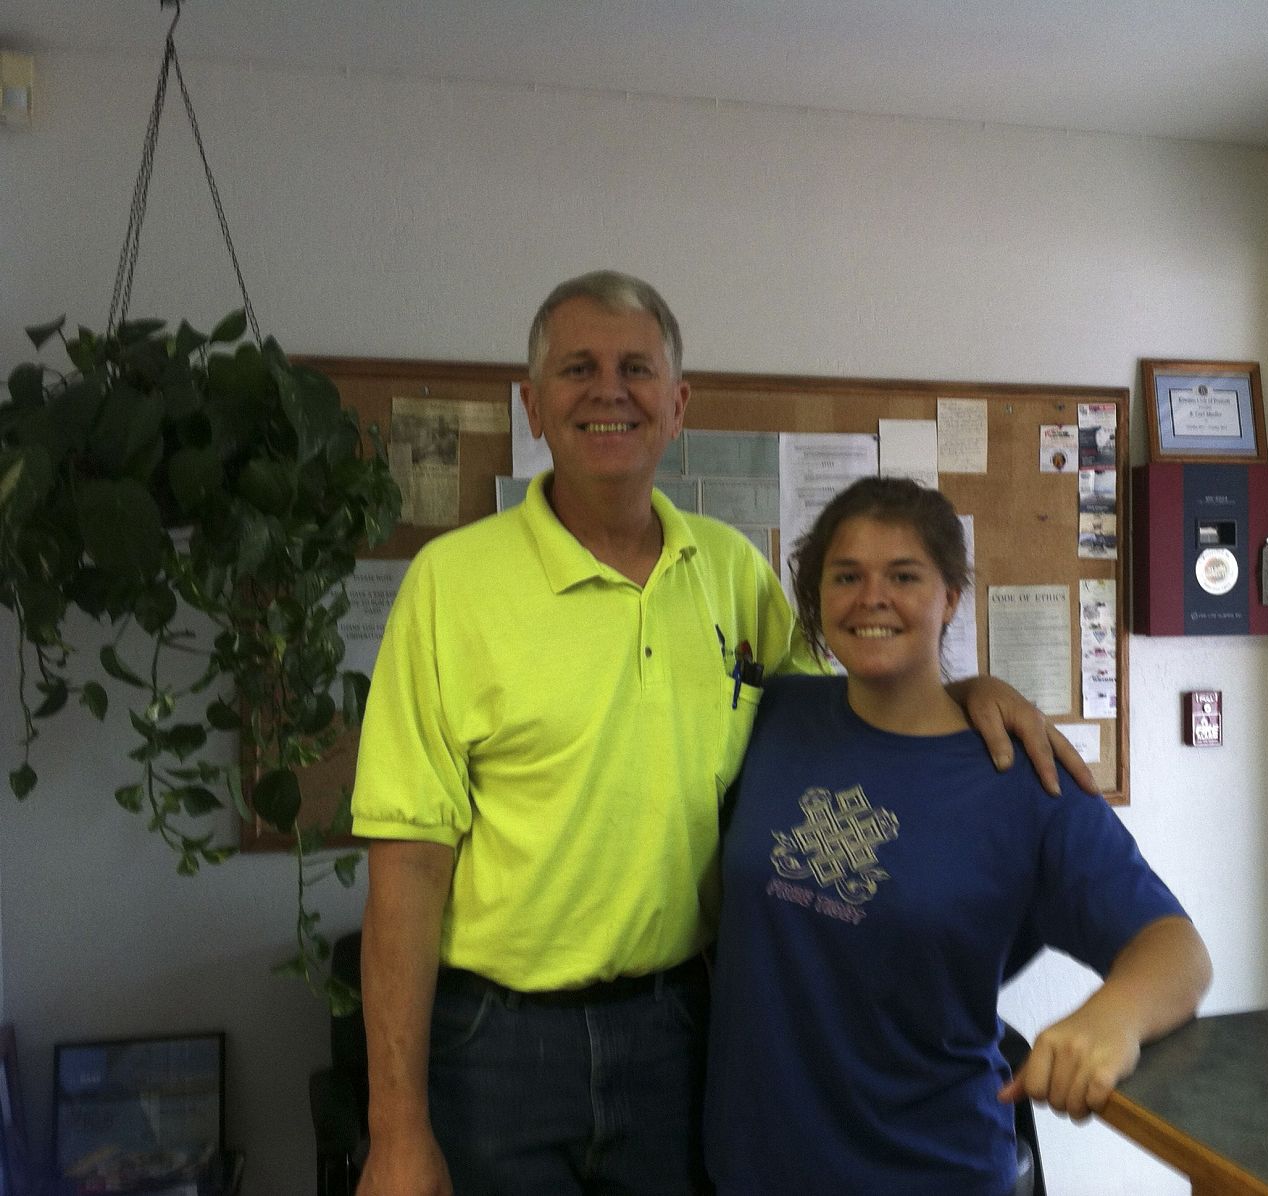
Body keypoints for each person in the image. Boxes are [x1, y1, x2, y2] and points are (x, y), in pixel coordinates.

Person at [349, 271, 1094, 1196]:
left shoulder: (731, 572)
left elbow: (848, 719)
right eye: (578, 369)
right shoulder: (449, 585)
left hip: (684, 1031)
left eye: (636, 368)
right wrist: (396, 1132)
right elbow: (407, 868)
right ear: (536, 406)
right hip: (498, 1050)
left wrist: (968, 683)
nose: (608, 390)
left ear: (677, 403)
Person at [704, 476, 1213, 1195]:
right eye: (846, 576)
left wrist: (1114, 1019)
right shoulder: (773, 716)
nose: (871, 597)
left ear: (949, 597)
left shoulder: (1023, 777)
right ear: (816, 598)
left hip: (931, 1170)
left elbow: (1176, 950)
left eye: (903, 576)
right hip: (753, 1172)